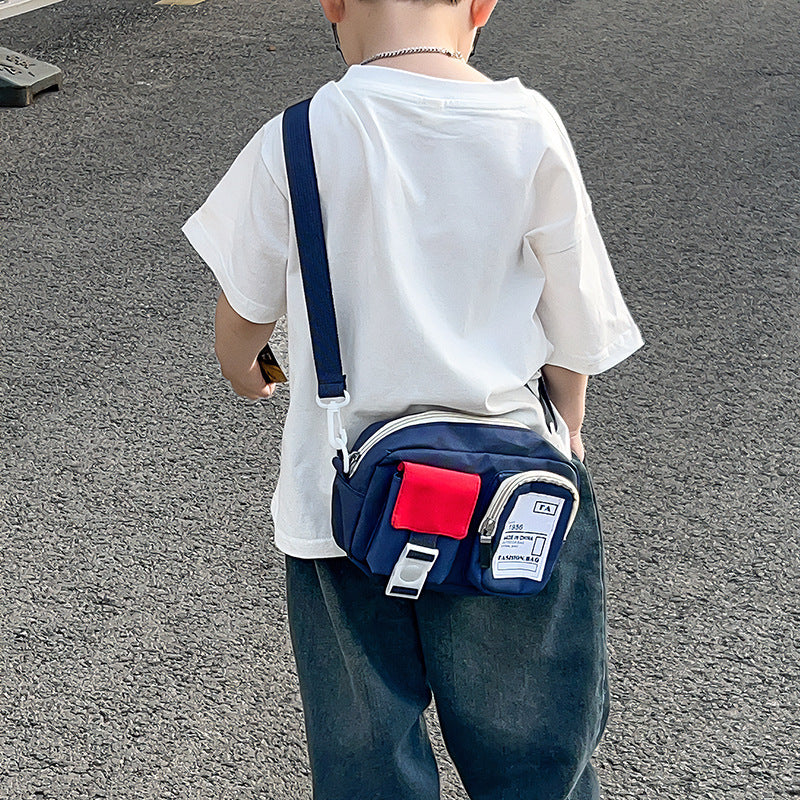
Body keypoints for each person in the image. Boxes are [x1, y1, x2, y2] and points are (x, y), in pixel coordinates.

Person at [183, 1, 643, 797]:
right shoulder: (528, 125)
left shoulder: (296, 139)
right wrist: (566, 423)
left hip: (348, 506)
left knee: (367, 756)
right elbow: (577, 326)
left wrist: (240, 366)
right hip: (512, 497)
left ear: (331, 3)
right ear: (481, 5)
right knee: (535, 746)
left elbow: (243, 312)